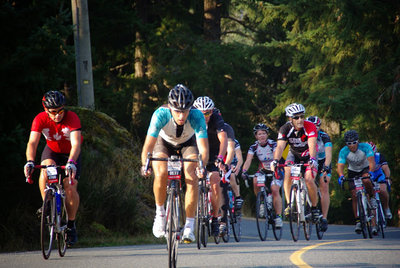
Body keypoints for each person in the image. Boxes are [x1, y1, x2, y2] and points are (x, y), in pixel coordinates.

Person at [140, 84, 209, 243]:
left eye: (185, 111)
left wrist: (202, 166)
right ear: (170, 108)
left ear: (190, 109)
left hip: (188, 143)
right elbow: (148, 146)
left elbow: (203, 149)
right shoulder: (160, 114)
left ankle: (190, 226)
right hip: (163, 143)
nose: (181, 116)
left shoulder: (197, 116)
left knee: (191, 175)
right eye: (177, 111)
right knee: (161, 173)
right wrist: (145, 164)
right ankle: (160, 213)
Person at [24, 90, 82, 246]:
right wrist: (30, 161)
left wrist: (71, 161)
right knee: (46, 168)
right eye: (53, 112)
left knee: (70, 187)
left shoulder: (72, 118)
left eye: (61, 111)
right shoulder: (40, 119)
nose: (58, 115)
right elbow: (33, 143)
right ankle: (47, 204)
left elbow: (76, 143)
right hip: (52, 151)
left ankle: (71, 225)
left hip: (70, 154)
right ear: (46, 110)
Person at [270, 103, 320, 222]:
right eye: (296, 117)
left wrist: (312, 159)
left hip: (309, 155)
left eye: (302, 116)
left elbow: (312, 145)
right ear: (290, 119)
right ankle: (289, 204)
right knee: (287, 170)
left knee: (308, 179)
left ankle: (314, 208)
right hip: (294, 154)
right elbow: (280, 147)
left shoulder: (310, 126)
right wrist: (275, 161)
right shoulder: (285, 129)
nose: (300, 120)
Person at [193, 96, 228, 236]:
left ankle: (214, 217)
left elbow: (223, 138)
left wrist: (220, 157)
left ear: (212, 111)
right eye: (201, 113)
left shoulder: (216, 118)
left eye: (208, 113)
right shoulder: (191, 118)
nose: (205, 116)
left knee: (215, 182)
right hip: (196, 154)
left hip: (213, 154)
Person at [241, 123, 283, 227]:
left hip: (275, 169)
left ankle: (278, 217)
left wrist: (274, 167)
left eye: (264, 133)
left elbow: (275, 156)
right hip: (263, 170)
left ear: (267, 134)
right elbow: (248, 160)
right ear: (256, 136)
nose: (262, 136)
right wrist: (244, 171)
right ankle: (261, 201)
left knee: (274, 190)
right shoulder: (253, 147)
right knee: (255, 179)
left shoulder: (273, 144)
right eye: (259, 134)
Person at [337, 130, 377, 234]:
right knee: (354, 195)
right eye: (349, 144)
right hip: (353, 171)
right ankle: (358, 220)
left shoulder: (365, 147)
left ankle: (372, 197)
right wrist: (341, 176)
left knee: (367, 180)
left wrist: (371, 172)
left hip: (365, 168)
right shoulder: (344, 151)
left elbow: (372, 161)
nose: (352, 146)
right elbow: (340, 166)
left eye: (354, 142)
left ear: (358, 141)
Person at [306, 116, 332, 232]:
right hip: (310, 161)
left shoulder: (324, 136)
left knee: (324, 185)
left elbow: (329, 153)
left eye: (316, 127)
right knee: (308, 180)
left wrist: (326, 166)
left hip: (322, 162)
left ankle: (325, 218)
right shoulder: (303, 135)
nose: (313, 129)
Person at [366, 141, 392, 219]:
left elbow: (386, 168)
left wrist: (387, 178)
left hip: (379, 175)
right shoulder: (362, 159)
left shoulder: (379, 156)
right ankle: (369, 211)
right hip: (369, 176)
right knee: (367, 194)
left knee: (383, 190)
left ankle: (386, 208)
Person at [222, 123, 244, 211]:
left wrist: (237, 167)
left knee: (232, 175)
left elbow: (240, 159)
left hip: (233, 163)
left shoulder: (235, 142)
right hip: (221, 162)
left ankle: (238, 197)